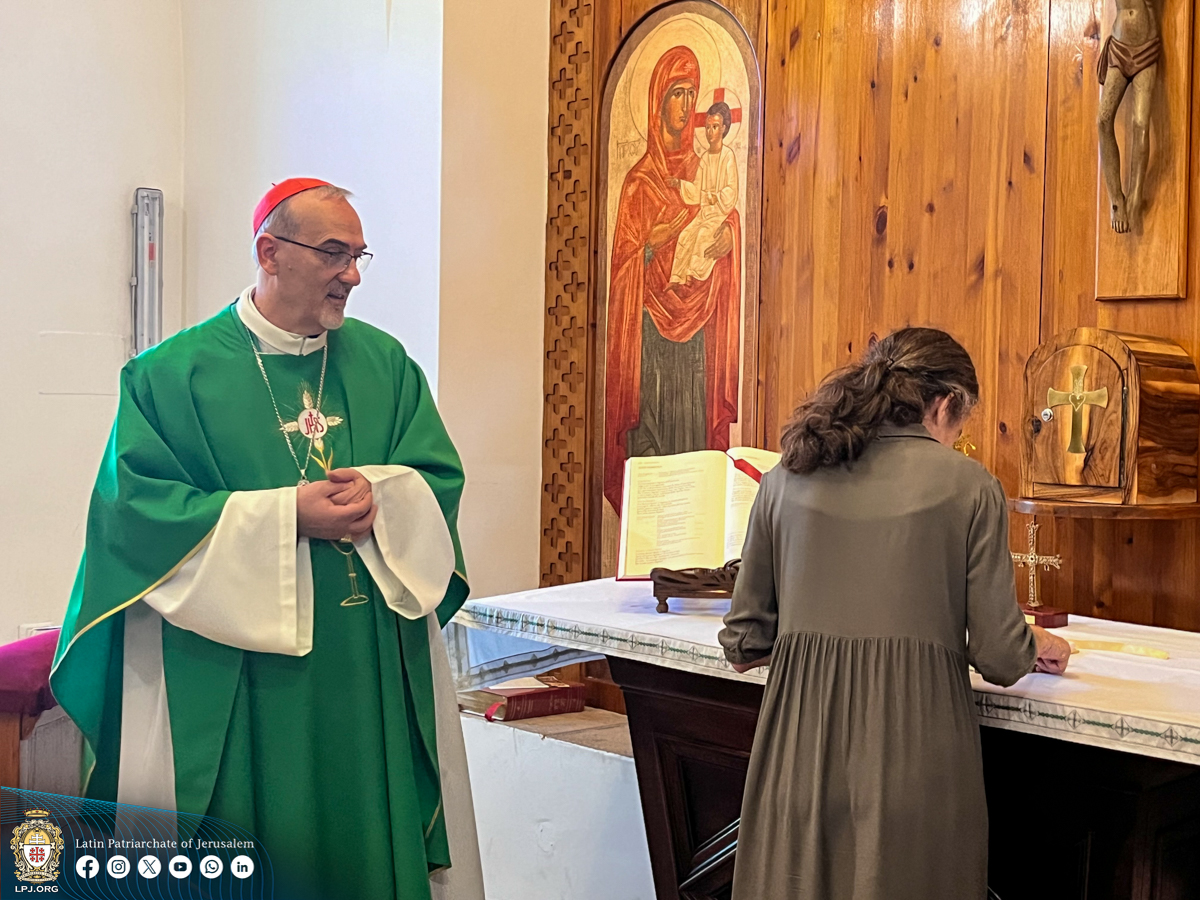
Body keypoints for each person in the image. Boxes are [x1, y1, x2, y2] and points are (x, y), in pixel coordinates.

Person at [50, 179, 485, 900]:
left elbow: (435, 479)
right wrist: (286, 517)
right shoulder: (170, 376)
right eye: (334, 253)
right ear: (270, 253)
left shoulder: (386, 366)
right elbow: (136, 514)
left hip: (362, 672)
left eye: (358, 255)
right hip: (237, 680)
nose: (351, 273)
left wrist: (388, 496)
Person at [719, 327, 1071, 900]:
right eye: (961, 425)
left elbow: (743, 644)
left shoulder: (785, 479)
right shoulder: (971, 487)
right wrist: (1035, 643)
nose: (955, 439)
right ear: (946, 403)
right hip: (914, 761)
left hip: (796, 760)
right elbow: (1000, 656)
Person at [604, 46, 741, 513]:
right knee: (655, 430)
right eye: (677, 93)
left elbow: (724, 215)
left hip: (697, 326)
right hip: (650, 337)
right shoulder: (639, 182)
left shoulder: (702, 168)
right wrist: (648, 245)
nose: (686, 106)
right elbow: (623, 263)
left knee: (693, 430)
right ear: (657, 99)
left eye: (691, 94)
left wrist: (729, 236)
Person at [669, 101, 739, 286]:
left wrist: (715, 196)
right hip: (704, 213)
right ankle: (676, 278)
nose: (710, 132)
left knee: (702, 235)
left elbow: (731, 189)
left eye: (715, 127)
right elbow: (698, 188)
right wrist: (681, 184)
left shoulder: (728, 156)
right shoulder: (705, 159)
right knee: (685, 235)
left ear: (723, 129)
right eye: (708, 127)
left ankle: (694, 275)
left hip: (718, 213)